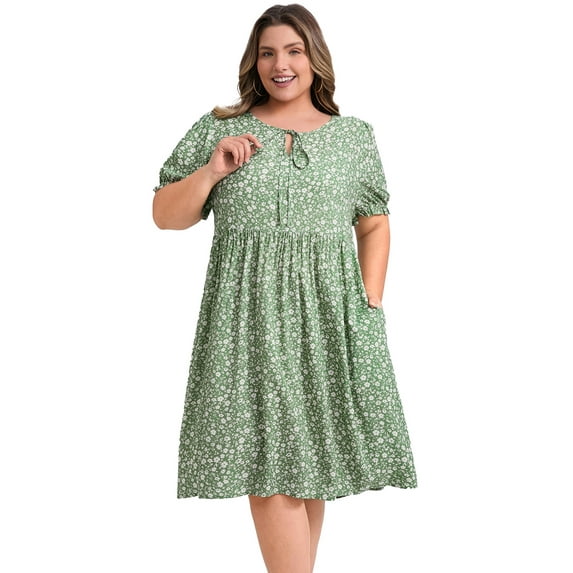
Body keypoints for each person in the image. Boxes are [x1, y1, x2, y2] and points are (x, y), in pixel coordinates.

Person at [152, 4, 417, 572]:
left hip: (330, 317)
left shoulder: (354, 137)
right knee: (268, 467)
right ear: (254, 62)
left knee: (309, 466)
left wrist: (369, 301)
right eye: (268, 53)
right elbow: (164, 215)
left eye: (294, 51)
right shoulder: (220, 128)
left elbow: (374, 222)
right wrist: (213, 171)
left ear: (315, 58)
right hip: (246, 318)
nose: (281, 64)